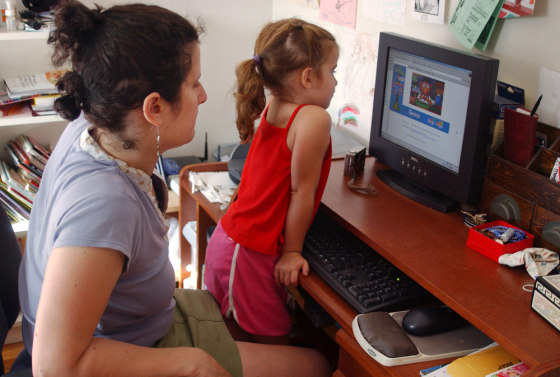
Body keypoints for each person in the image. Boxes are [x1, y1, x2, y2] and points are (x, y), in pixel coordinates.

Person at [17, 1, 332, 376]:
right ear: (154, 108)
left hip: (143, 324)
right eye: (194, 83)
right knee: (318, 363)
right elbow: (55, 368)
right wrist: (192, 364)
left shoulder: (92, 126)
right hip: (131, 349)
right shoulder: (105, 206)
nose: (203, 96)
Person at [204, 18, 338, 344]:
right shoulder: (314, 118)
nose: (335, 82)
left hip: (234, 244)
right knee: (276, 344)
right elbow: (301, 192)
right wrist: (292, 252)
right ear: (308, 77)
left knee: (246, 339)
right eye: (334, 71)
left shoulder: (276, 105)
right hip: (247, 256)